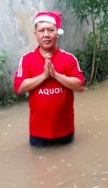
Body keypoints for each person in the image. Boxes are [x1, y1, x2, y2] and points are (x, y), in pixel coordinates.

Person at [13, 11, 85, 147]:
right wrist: (44, 76)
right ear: (36, 34)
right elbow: (19, 87)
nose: (46, 34)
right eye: (41, 30)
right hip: (38, 133)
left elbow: (80, 86)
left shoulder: (69, 59)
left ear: (57, 33)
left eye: (50, 30)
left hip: (65, 131)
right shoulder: (27, 59)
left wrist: (56, 75)